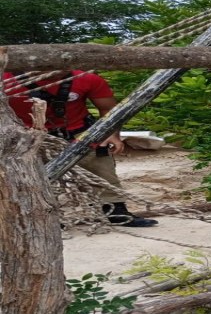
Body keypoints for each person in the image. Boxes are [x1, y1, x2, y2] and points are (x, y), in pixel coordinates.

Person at [2, 70, 158, 227]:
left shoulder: (87, 79)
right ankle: (36, 215)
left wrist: (110, 134)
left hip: (79, 131)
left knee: (100, 163)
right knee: (24, 174)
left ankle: (114, 209)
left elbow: (109, 108)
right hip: (26, 135)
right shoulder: (5, 80)